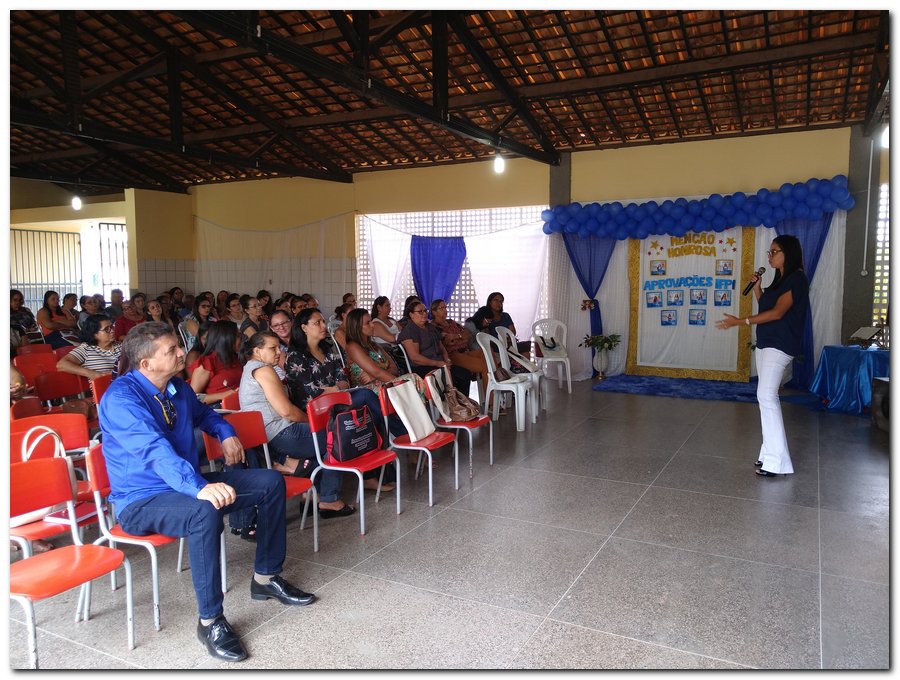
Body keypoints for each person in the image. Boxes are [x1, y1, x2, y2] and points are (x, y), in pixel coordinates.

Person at [99, 322, 315, 663]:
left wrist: (226, 432)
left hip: (183, 485)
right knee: (204, 509)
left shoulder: (176, 388)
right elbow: (155, 451)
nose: (181, 352)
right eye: (171, 351)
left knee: (270, 482)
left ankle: (266, 577)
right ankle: (210, 620)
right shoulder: (121, 399)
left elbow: (207, 415)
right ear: (145, 364)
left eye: (177, 347)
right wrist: (200, 487)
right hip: (143, 500)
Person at [715, 235, 808, 478]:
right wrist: (757, 287)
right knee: (764, 397)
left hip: (780, 344)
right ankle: (767, 454)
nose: (769, 256)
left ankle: (778, 462)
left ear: (787, 252)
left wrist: (741, 322)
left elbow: (777, 313)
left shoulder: (797, 279)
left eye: (774, 251)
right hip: (767, 342)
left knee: (766, 396)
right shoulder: (779, 280)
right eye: (769, 252)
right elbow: (766, 306)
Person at [239, 332, 355, 518]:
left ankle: (310, 497)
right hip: (279, 432)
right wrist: (313, 422)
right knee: (337, 436)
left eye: (279, 347)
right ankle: (329, 499)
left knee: (323, 445)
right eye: (272, 348)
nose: (278, 352)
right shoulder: (263, 370)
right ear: (257, 350)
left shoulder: (254, 368)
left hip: (271, 433)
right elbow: (286, 411)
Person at [284, 308, 394, 492]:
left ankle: (372, 474)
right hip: (314, 410)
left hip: (337, 403)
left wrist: (333, 390)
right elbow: (310, 393)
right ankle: (394, 435)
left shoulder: (328, 350)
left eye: (322, 321)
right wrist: (335, 389)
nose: (322, 326)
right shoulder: (296, 357)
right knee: (367, 397)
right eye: (317, 323)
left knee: (369, 414)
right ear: (303, 327)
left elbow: (343, 379)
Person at [344, 308, 425, 400]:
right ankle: (418, 413)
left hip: (384, 383)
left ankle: (417, 412)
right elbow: (377, 372)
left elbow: (394, 368)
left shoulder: (373, 345)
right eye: (368, 323)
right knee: (413, 379)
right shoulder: (352, 347)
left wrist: (374, 376)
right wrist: (399, 383)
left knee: (413, 380)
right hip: (368, 391)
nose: (372, 325)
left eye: (371, 321)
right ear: (357, 327)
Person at [430, 298, 489, 397]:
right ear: (434, 312)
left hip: (465, 351)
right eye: (441, 308)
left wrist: (456, 338)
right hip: (453, 354)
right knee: (485, 366)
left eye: (445, 307)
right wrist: (460, 336)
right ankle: (491, 402)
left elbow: (467, 334)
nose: (445, 310)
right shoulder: (434, 326)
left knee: (486, 353)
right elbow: (447, 341)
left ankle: (488, 398)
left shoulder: (451, 322)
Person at [190, 320, 243, 407]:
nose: (241, 339)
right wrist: (226, 394)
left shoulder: (234, 358)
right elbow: (192, 397)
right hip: (220, 411)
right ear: (226, 338)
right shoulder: (207, 363)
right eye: (237, 336)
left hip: (240, 405)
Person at [56, 314, 121, 380]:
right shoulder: (86, 349)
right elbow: (61, 365)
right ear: (94, 334)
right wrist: (92, 374)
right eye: (107, 329)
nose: (112, 331)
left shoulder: (120, 346)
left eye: (112, 327)